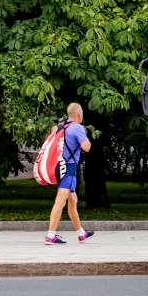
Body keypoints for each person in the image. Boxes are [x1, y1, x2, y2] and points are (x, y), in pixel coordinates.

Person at [46, 103, 93, 245]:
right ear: (79, 114)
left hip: (59, 166)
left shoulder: (61, 126)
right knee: (60, 201)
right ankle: (50, 235)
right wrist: (88, 142)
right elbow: (86, 148)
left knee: (72, 200)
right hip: (70, 169)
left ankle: (81, 233)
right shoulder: (78, 128)